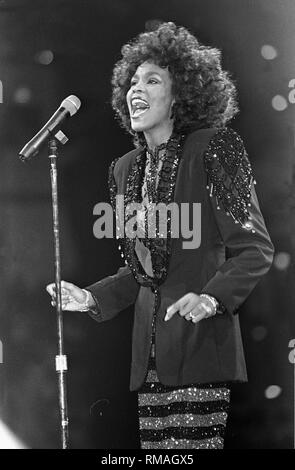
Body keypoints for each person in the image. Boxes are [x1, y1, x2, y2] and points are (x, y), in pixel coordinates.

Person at [46, 22, 274, 449]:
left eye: (152, 80)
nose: (137, 89)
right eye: (132, 81)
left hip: (200, 348)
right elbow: (142, 270)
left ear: (180, 96)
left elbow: (254, 248)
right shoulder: (125, 170)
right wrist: (92, 297)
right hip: (147, 362)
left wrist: (211, 297)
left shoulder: (213, 148)